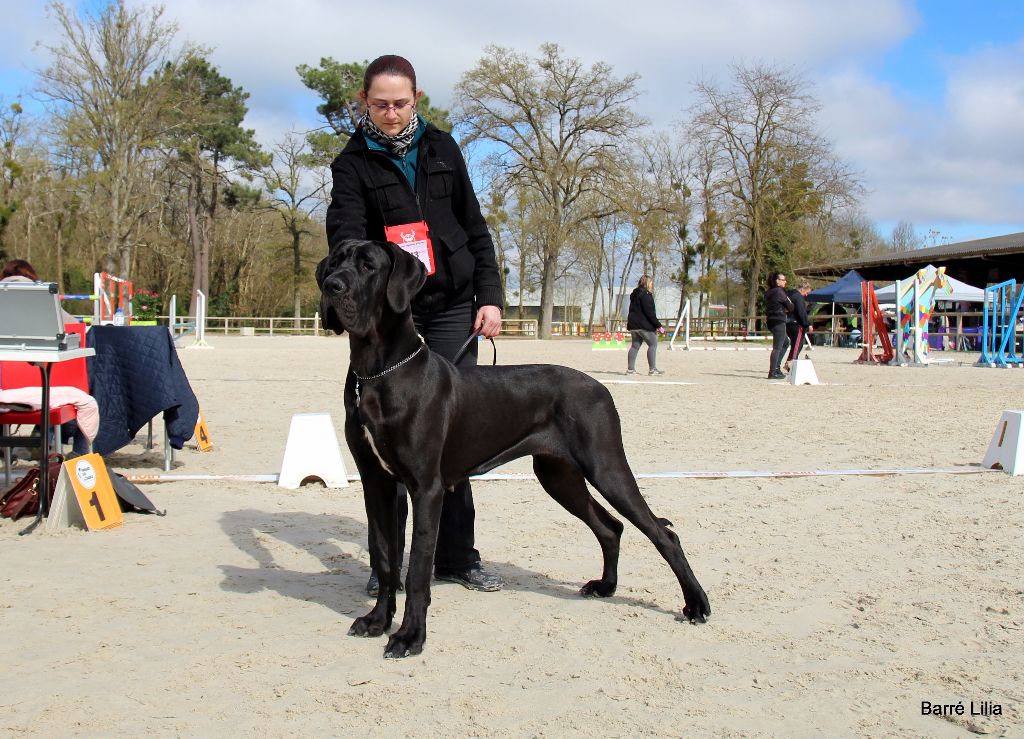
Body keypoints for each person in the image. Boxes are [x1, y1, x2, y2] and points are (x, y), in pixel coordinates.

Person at [324, 55, 504, 596]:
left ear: (416, 99)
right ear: (364, 102)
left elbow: (474, 227)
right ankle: (389, 571)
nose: (392, 113)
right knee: (388, 434)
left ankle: (457, 556)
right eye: (380, 104)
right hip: (394, 312)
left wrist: (489, 296)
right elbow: (347, 234)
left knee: (449, 435)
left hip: (450, 304)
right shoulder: (352, 163)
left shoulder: (443, 147)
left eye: (401, 103)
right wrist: (355, 284)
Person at [1, 258, 89, 457]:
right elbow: (74, 327)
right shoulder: (42, 295)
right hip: (40, 387)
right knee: (61, 385)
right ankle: (65, 446)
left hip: (4, 389)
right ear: (31, 276)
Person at [625, 275, 666, 375]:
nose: (652, 285)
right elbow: (650, 313)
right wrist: (658, 325)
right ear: (647, 283)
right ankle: (652, 369)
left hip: (633, 325)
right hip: (643, 325)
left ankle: (630, 369)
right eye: (651, 283)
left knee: (635, 346)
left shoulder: (634, 295)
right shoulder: (646, 295)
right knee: (653, 344)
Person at [764, 271, 793, 379]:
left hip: (771, 320)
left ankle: (776, 368)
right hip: (778, 320)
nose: (785, 281)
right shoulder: (779, 292)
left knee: (786, 342)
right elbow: (790, 306)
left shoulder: (770, 292)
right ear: (777, 281)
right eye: (783, 280)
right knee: (777, 347)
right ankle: (773, 371)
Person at [784, 278, 813, 372]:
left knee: (795, 345)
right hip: (796, 324)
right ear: (802, 289)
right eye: (807, 292)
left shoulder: (789, 294)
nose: (807, 295)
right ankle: (791, 365)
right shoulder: (798, 297)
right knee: (797, 346)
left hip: (788, 322)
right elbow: (801, 312)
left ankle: (788, 363)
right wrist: (807, 324)